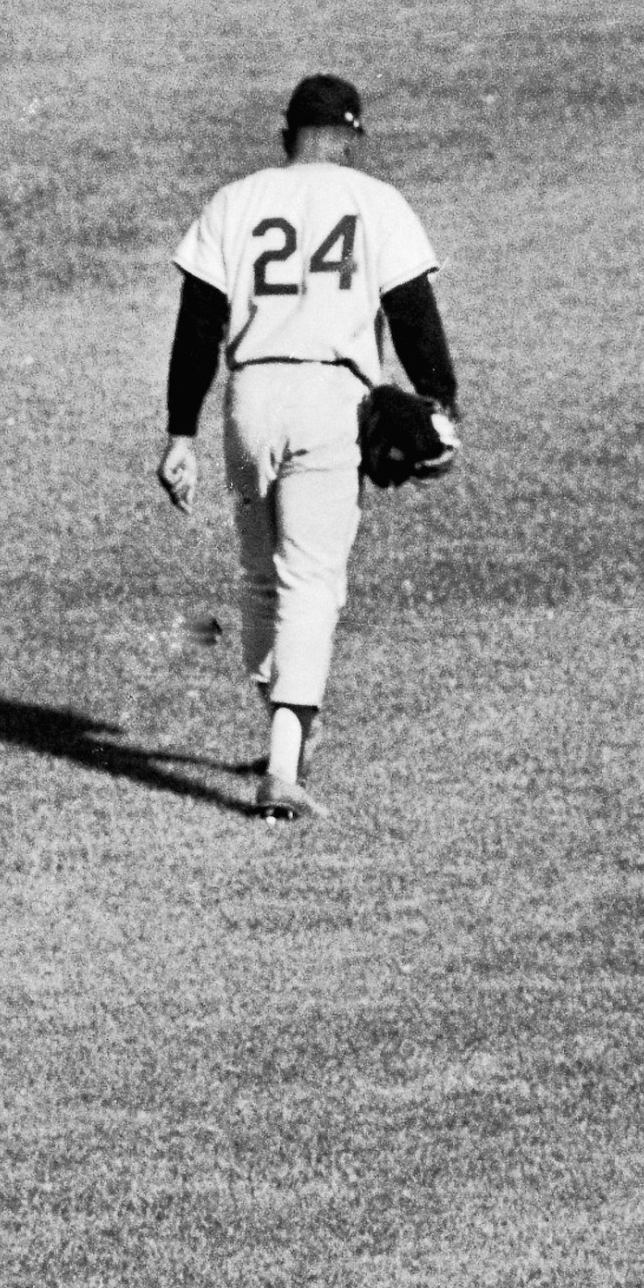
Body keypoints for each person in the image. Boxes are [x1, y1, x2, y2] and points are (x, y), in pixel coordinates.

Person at [159, 74, 461, 820]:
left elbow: (198, 323)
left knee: (261, 576)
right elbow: (412, 312)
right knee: (311, 582)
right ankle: (285, 771)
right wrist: (442, 403)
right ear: (353, 139)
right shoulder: (375, 201)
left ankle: (286, 728)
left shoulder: (236, 200)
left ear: (283, 134)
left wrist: (179, 433)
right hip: (333, 399)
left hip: (250, 399)